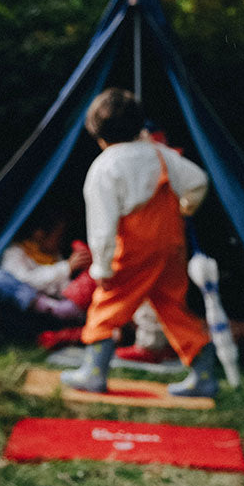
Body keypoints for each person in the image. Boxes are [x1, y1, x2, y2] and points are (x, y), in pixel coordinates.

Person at [61, 88, 218, 396]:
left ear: (98, 134)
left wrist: (102, 270)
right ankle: (204, 377)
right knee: (174, 308)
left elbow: (102, 228)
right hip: (171, 245)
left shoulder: (105, 167)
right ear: (138, 126)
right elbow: (198, 180)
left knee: (108, 304)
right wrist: (187, 206)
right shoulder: (160, 154)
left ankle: (93, 373)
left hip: (134, 250)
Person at [0, 213, 92, 338]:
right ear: (39, 234)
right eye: (58, 236)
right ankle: (48, 307)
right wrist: (66, 268)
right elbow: (27, 281)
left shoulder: (56, 257)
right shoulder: (15, 252)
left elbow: (62, 290)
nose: (61, 242)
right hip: (19, 311)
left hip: (44, 315)